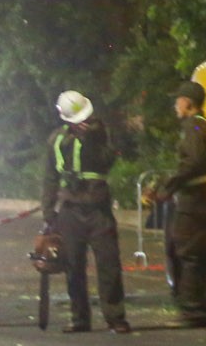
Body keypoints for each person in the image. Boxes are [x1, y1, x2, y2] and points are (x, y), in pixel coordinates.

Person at [41, 90, 132, 334]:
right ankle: (79, 318)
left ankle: (116, 318)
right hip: (69, 211)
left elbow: (108, 161)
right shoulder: (56, 140)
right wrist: (49, 214)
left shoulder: (101, 135)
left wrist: (93, 139)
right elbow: (50, 178)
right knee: (72, 267)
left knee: (109, 265)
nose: (85, 121)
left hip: (98, 210)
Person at [147, 79, 206, 329]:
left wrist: (167, 187)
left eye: (177, 100)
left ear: (188, 103)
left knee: (188, 253)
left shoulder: (194, 127)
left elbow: (192, 163)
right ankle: (205, 311)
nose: (175, 105)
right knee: (202, 257)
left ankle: (191, 311)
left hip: (195, 201)